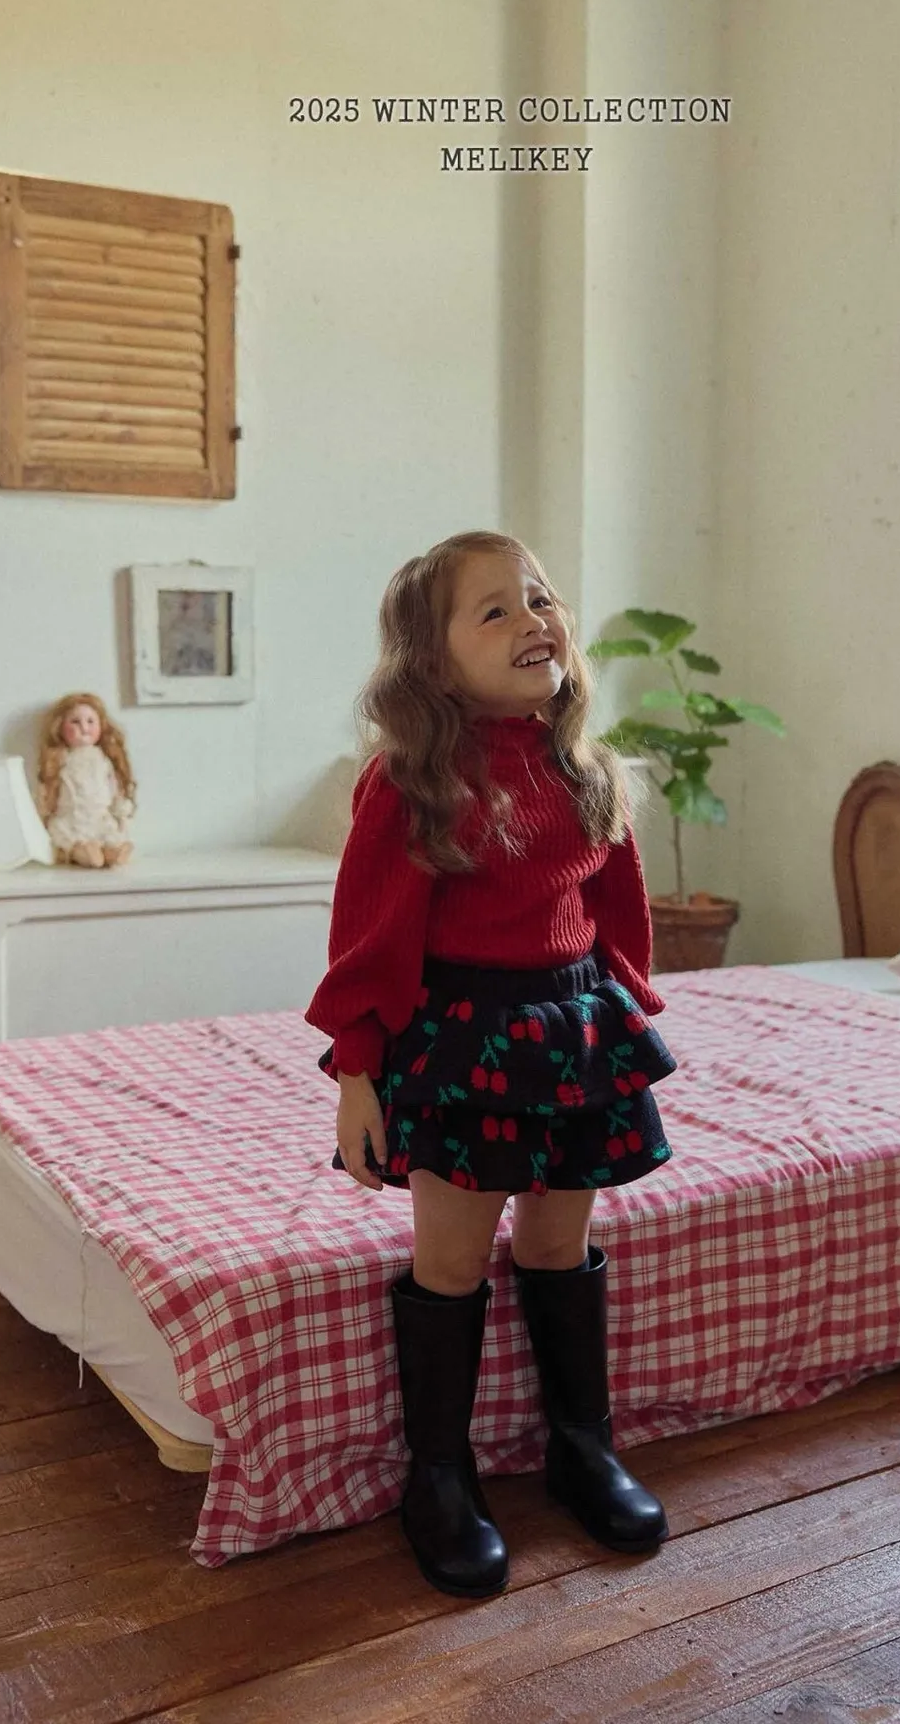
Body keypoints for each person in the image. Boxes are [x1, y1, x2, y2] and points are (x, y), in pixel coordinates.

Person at [305, 530, 677, 1599]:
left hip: (574, 1032)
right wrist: (359, 1074)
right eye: (496, 610)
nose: (533, 621)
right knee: (454, 1260)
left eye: (540, 598)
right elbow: (368, 940)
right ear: (432, 662)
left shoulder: (586, 768)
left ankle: (581, 1445)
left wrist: (628, 1017)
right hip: (466, 1038)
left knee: (559, 1244)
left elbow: (618, 912)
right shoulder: (412, 781)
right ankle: (439, 1475)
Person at [37, 692, 136, 868]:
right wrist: (44, 811)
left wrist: (120, 806)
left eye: (90, 721)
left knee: (110, 836)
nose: (84, 727)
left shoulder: (103, 760)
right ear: (60, 727)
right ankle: (84, 853)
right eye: (75, 722)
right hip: (72, 817)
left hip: (99, 816)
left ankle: (113, 852)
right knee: (75, 842)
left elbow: (114, 786)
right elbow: (48, 792)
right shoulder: (61, 759)